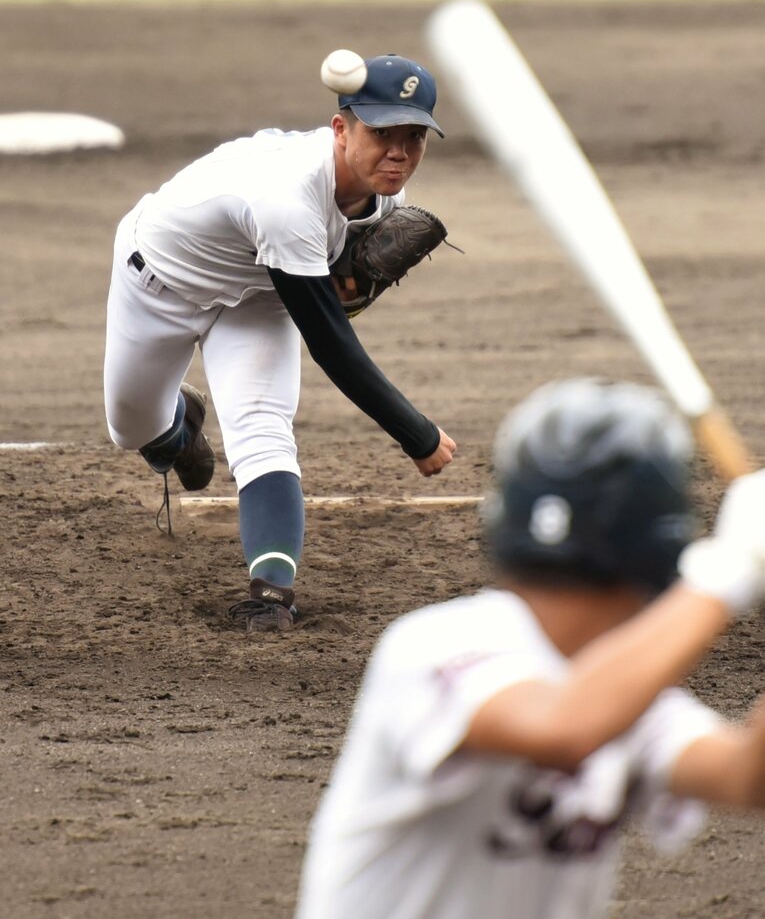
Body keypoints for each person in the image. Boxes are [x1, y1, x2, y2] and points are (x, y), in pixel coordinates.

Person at [295, 377, 765, 919]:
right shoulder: (435, 646)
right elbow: (562, 728)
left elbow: (747, 778)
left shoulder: (623, 691)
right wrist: (726, 573)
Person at [103, 53, 457, 632]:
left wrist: (341, 279)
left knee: (263, 429)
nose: (399, 151)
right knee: (132, 429)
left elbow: (327, 290)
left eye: (414, 136)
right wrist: (415, 433)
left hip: (260, 296)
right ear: (341, 130)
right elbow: (331, 342)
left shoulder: (378, 199)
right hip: (159, 285)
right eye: (383, 133)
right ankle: (177, 424)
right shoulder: (287, 196)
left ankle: (272, 593)